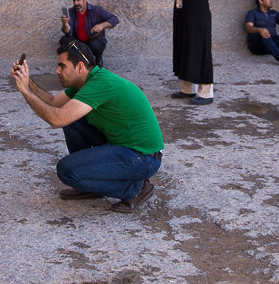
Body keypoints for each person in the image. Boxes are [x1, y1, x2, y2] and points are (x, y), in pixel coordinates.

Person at [11, 40, 164, 213]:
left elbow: (56, 119)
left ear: (80, 67)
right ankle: (91, 183)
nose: (57, 71)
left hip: (143, 158)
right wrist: (26, 81)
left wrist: (25, 91)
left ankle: (136, 189)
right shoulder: (84, 82)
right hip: (123, 146)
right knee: (73, 120)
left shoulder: (100, 84)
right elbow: (53, 102)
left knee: (67, 171)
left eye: (62, 66)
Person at [59, 0, 120, 66]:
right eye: (74, 1)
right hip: (79, 42)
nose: (75, 3)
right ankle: (78, 59)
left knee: (94, 44)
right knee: (64, 40)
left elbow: (115, 19)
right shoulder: (71, 11)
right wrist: (65, 23)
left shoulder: (97, 10)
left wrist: (102, 25)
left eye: (78, 0)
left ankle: (98, 57)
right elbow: (68, 32)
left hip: (93, 40)